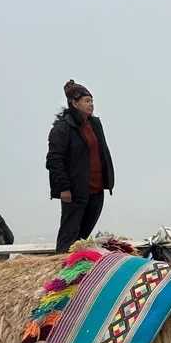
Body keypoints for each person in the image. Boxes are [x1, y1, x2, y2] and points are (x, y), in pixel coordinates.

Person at [47, 80, 115, 254]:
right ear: (74, 103)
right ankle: (62, 266)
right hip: (75, 190)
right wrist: (64, 188)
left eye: (91, 101)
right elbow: (54, 160)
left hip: (96, 188)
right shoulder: (62, 128)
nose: (91, 105)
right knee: (69, 234)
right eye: (86, 101)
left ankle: (78, 266)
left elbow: (101, 152)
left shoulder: (94, 124)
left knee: (83, 236)